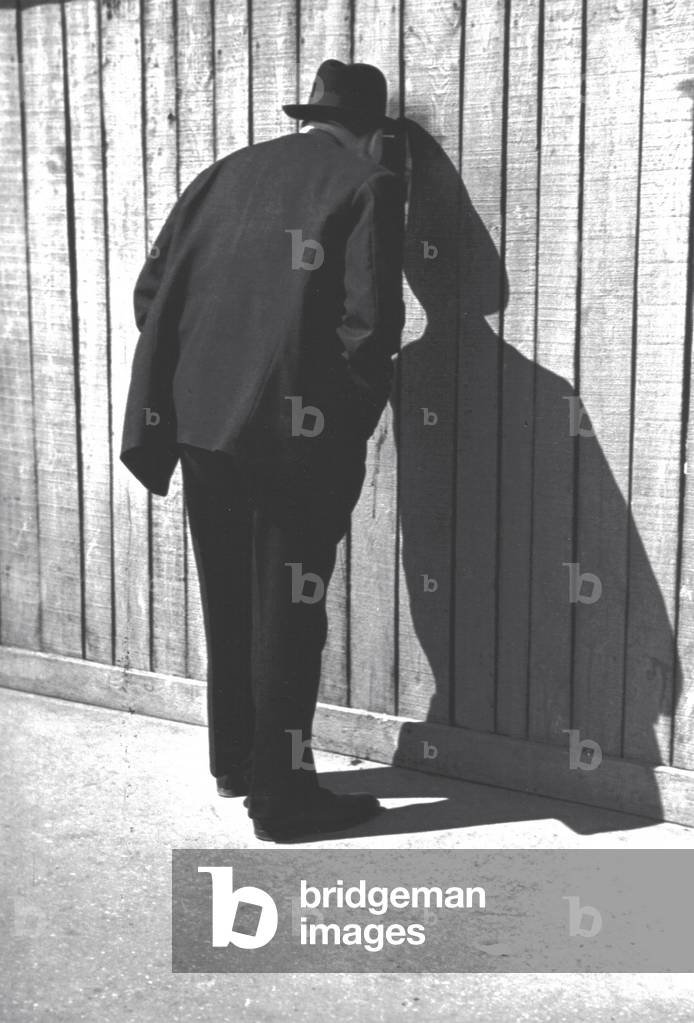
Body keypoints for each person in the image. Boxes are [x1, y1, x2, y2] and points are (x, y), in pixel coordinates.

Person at [119, 59, 406, 842]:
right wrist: (346, 422)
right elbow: (368, 328)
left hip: (201, 427)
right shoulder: (365, 182)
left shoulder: (223, 176)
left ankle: (238, 762)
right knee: (291, 610)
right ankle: (283, 799)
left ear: (307, 114)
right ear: (373, 130)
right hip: (294, 438)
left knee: (231, 597)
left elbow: (152, 291)